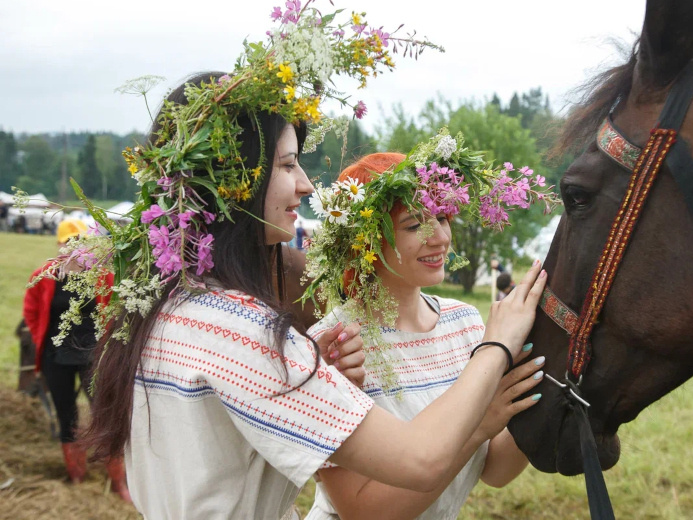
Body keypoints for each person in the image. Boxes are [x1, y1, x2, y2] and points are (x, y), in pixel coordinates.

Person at [55, 10, 548, 519]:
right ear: (235, 178)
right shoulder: (243, 332)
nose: (307, 184)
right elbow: (417, 462)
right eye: (288, 165)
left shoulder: (173, 309)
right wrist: (496, 346)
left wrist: (310, 373)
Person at [304, 153, 545, 520]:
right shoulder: (336, 345)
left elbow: (494, 471)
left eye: (444, 217)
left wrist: (549, 384)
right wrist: (478, 423)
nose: (440, 238)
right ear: (368, 240)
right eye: (415, 224)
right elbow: (363, 511)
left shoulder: (464, 324)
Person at [22, 218, 131, 502]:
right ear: (59, 246)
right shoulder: (44, 276)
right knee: (66, 415)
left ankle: (119, 482)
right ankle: (77, 477)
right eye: (67, 244)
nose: (73, 249)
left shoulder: (102, 276)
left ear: (87, 246)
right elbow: (32, 312)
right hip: (55, 357)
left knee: (105, 415)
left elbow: (114, 310)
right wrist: (40, 341)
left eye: (78, 243)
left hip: (94, 358)